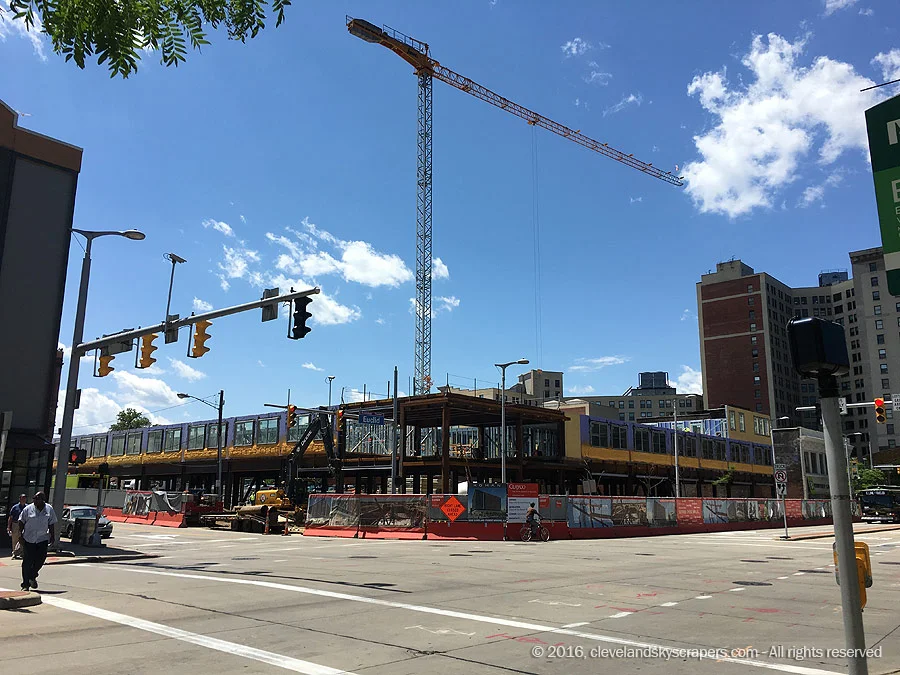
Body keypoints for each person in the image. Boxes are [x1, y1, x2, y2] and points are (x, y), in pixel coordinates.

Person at [18, 491, 57, 591]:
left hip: (42, 538)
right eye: (34, 498)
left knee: (40, 560)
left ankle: (32, 575)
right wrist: (20, 535)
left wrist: (53, 535)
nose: (34, 500)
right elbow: (21, 521)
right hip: (29, 538)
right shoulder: (28, 509)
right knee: (27, 561)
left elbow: (51, 523)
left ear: (43, 500)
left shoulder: (49, 509)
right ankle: (25, 584)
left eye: (37, 498)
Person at [7, 494, 27, 559]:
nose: (24, 499)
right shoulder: (15, 507)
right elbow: (10, 517)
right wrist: (9, 526)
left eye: (25, 498)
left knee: (23, 539)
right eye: (22, 498)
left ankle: (22, 553)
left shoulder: (27, 507)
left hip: (24, 524)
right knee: (15, 539)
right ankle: (14, 553)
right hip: (16, 524)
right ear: (20, 499)